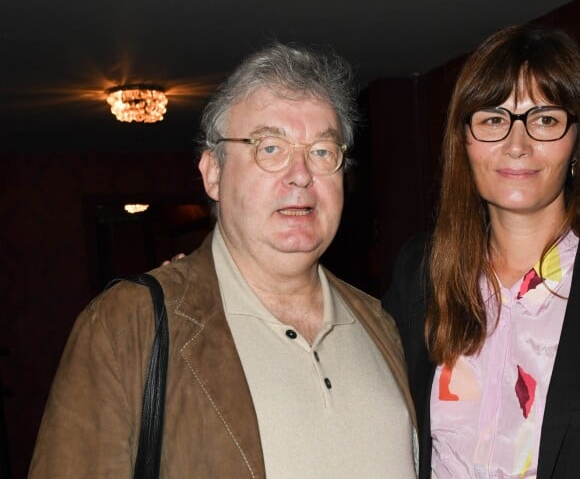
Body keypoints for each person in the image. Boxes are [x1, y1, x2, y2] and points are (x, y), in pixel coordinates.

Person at [29, 43, 418, 477]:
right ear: (213, 172)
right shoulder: (126, 327)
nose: (301, 174)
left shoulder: (382, 324)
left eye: (322, 152)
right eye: (270, 148)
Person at [384, 23, 580, 479]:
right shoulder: (421, 271)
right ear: (465, 142)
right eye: (493, 119)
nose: (517, 144)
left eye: (545, 119)